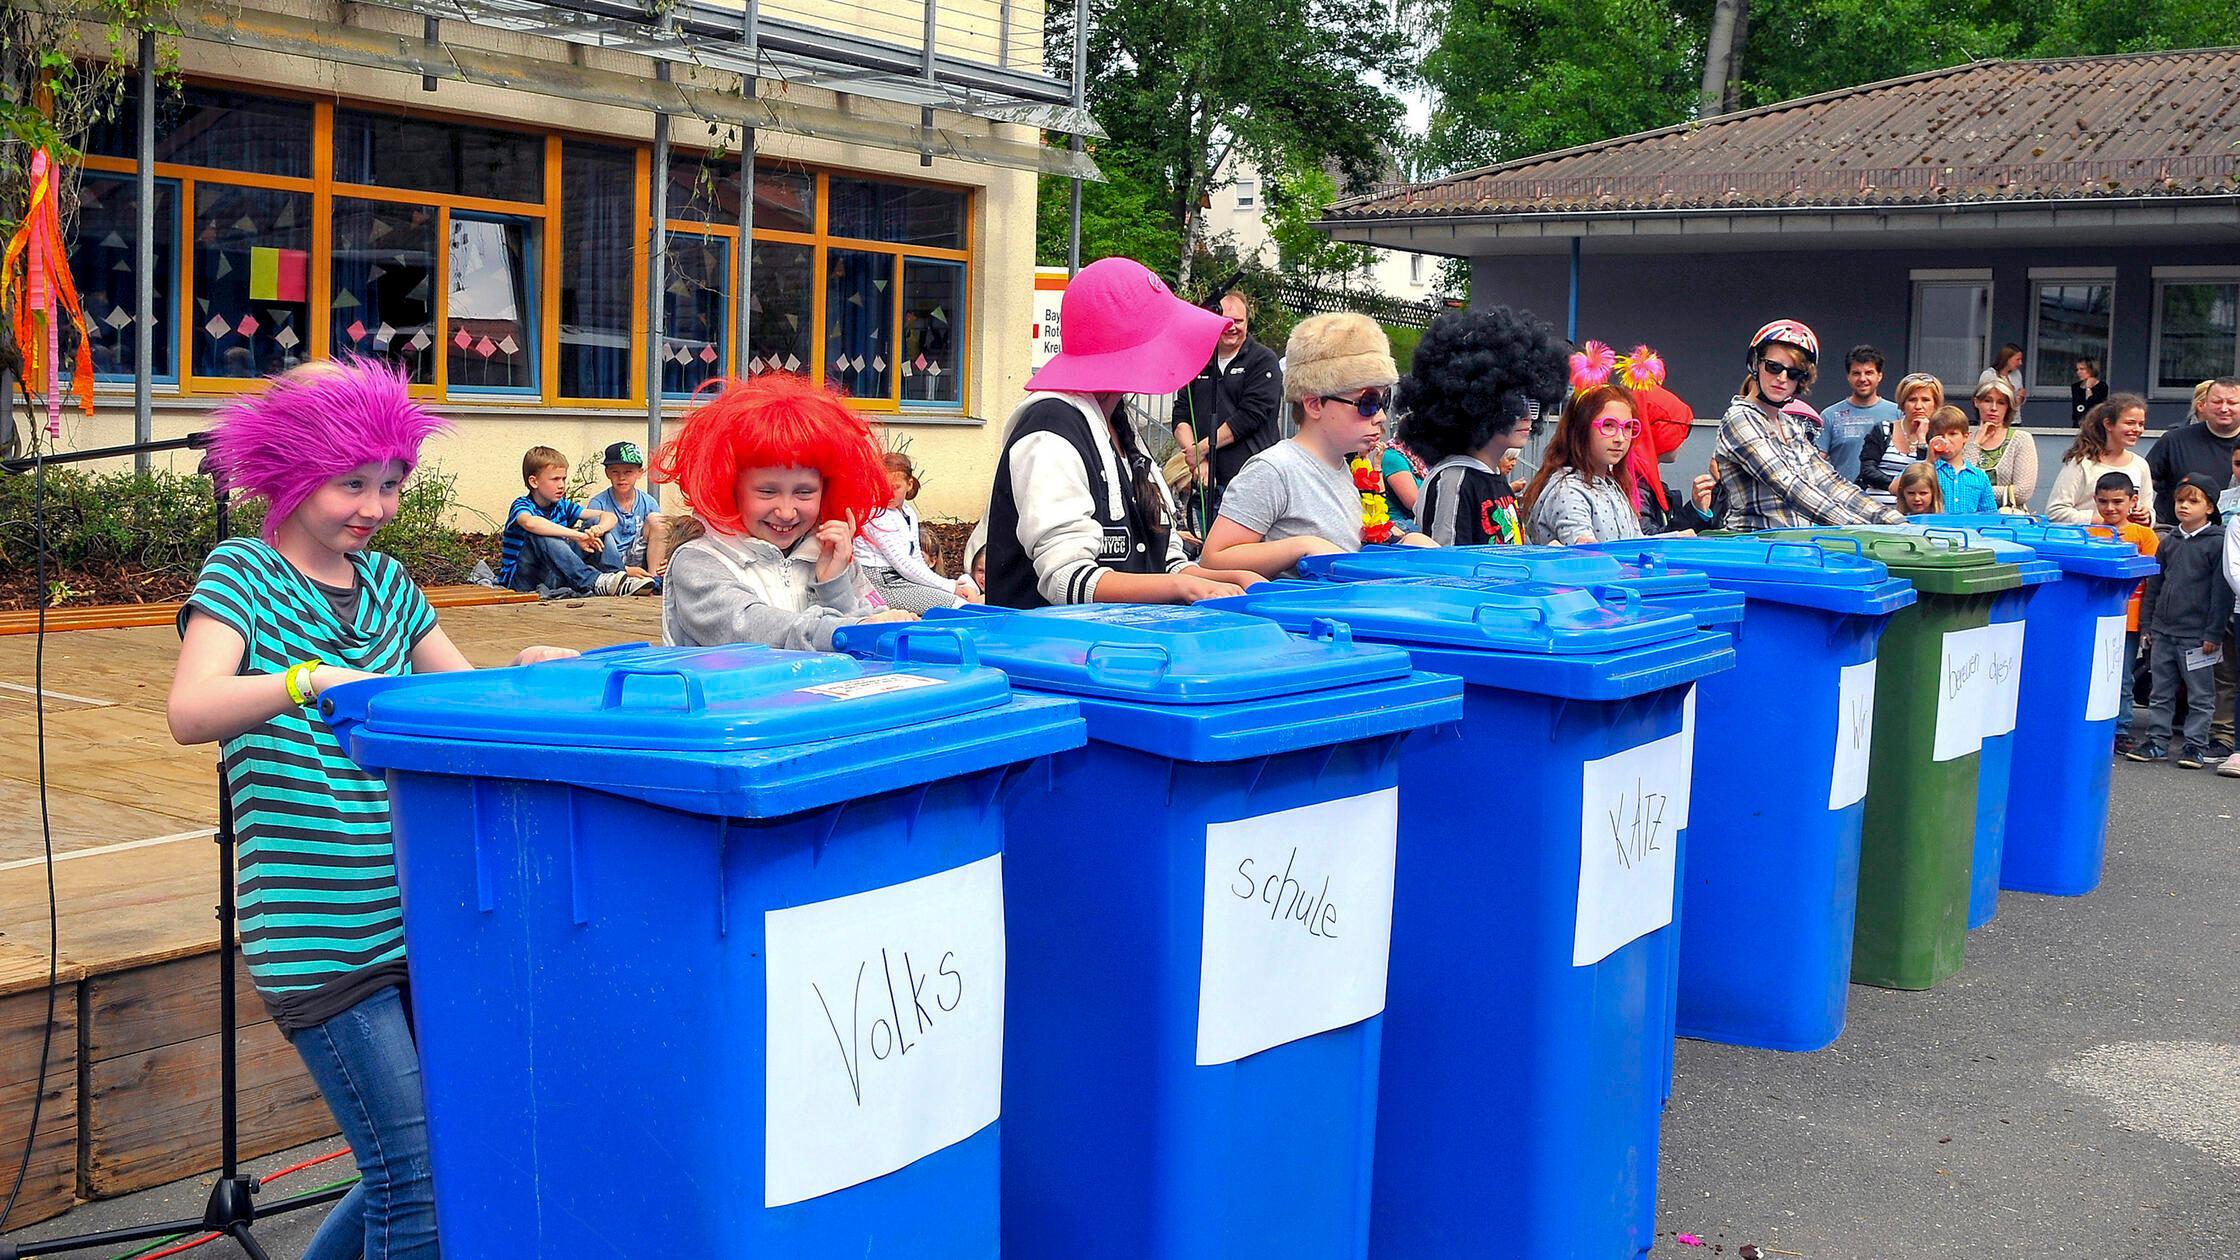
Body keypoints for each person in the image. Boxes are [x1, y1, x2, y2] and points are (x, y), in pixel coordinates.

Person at [170, 359, 578, 1260]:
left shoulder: (391, 586)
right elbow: (190, 711)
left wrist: (532, 675)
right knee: (416, 1179)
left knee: (427, 1156)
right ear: (288, 469)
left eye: (390, 484)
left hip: (418, 926)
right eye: (352, 482)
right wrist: (305, 680)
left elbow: (463, 708)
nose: (376, 505)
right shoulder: (242, 572)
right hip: (321, 938)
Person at [980, 256, 1261, 607]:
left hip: (1120, 648)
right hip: (1045, 654)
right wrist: (1181, 590)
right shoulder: (1048, 432)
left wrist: (1233, 579)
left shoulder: (1120, 427)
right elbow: (1066, 581)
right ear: (1130, 350)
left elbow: (1164, 563)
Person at [655, 373, 918, 649]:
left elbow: (870, 641)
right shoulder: (699, 561)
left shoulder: (832, 553)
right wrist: (853, 631)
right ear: (729, 488)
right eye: (767, 492)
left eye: (804, 492)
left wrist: (833, 586)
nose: (786, 511)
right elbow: (749, 627)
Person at [1203, 313, 1429, 578]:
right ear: (1314, 404)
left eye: (1384, 400)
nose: (1380, 416)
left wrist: (1403, 542)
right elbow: (1213, 558)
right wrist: (1302, 546)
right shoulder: (1275, 470)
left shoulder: (1346, 467)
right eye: (1367, 403)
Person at [1393, 306, 1569, 547]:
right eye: (1517, 402)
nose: (1528, 415)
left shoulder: (1495, 479)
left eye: (1534, 402)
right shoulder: (1453, 480)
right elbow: (1449, 568)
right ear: (1479, 404)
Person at [1714, 319, 1906, 531]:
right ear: (1756, 363)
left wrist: (1894, 521)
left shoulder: (1789, 425)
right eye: (1774, 367)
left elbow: (1829, 482)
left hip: (1795, 546)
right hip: (1754, 545)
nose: (1782, 377)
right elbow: (1788, 483)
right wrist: (1860, 528)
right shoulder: (1740, 417)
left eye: (1794, 373)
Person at [2128, 475, 2235, 768]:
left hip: (2198, 635)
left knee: (2201, 694)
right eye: (2179, 500)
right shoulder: (2169, 541)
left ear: (2210, 507)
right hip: (2163, 631)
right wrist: (2148, 625)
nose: (2184, 506)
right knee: (2160, 691)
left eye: (2193, 501)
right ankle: (2157, 741)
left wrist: (2213, 632)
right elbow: (2155, 584)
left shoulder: (2218, 543)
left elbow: (2221, 592)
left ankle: (2195, 745)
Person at [1168, 290, 1284, 533]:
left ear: (1247, 322)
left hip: (1249, 481)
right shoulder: (1199, 359)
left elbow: (1250, 416)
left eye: (1238, 321)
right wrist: (1197, 461)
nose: (1231, 327)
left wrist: (1200, 451)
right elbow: (1181, 414)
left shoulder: (1262, 360)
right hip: (1204, 482)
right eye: (1225, 321)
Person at [500, 445, 654, 596]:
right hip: (523, 581)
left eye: (563, 479)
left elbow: (609, 516)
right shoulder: (522, 505)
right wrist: (577, 536)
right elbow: (531, 523)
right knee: (540, 533)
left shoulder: (562, 506)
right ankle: (595, 581)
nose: (561, 485)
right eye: (555, 479)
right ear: (534, 482)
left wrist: (596, 530)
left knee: (594, 524)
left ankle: (616, 577)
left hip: (553, 574)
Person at [1525, 383, 1646, 545]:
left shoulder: (1611, 484)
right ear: (1581, 429)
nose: (1620, 439)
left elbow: (1636, 544)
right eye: (1608, 425)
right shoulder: (1568, 489)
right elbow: (1585, 554)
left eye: (1628, 427)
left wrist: (1677, 539)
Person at [859, 451, 973, 613]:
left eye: (895, 487)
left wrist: (943, 585)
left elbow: (916, 559)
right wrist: (948, 587)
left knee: (962, 596)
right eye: (882, 487)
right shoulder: (876, 515)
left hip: (899, 579)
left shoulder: (908, 513)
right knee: (956, 606)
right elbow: (903, 564)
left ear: (909, 484)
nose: (888, 493)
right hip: (880, 584)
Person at [2095, 471, 2159, 756]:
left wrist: (2148, 622)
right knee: (2097, 674)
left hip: (2131, 617)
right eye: (2103, 501)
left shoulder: (2144, 535)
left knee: (2121, 676)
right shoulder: (2087, 533)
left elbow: (2154, 577)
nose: (2110, 508)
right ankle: (2098, 727)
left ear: (2133, 501)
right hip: (2097, 616)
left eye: (2117, 501)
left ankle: (2121, 729)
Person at [2145, 376, 2240, 528]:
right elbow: (2145, 481)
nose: (2223, 408)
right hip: (2176, 536)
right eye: (2217, 402)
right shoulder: (2174, 440)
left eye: (2232, 403)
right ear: (2203, 405)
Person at [2046, 395, 2154, 525]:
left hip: (2128, 542)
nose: (2137, 429)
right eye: (2129, 423)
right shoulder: (2082, 463)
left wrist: (2146, 516)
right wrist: (2102, 520)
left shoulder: (2140, 465)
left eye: (2141, 424)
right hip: (2087, 541)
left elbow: (2149, 511)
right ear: (2108, 424)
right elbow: (2055, 511)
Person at [1629, 380, 1719, 535]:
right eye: (1683, 429)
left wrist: (1699, 508)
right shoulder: (1635, 486)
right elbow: (1651, 541)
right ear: (1659, 430)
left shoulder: (1642, 483)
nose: (1684, 439)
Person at [585, 440, 669, 579]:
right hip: (610, 563)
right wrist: (625, 570)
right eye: (615, 472)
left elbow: (661, 537)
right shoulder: (598, 503)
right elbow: (592, 548)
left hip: (641, 558)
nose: (621, 477)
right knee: (595, 523)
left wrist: (665, 558)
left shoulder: (648, 502)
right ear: (607, 473)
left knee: (657, 520)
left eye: (628, 472)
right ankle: (620, 576)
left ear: (639, 472)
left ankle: (655, 579)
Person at [1818, 345, 1900, 483]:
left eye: (1869, 373)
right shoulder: (1829, 415)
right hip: (1842, 499)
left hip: (1886, 499)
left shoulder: (1897, 413)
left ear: (1880, 376)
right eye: (1856, 373)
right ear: (1848, 377)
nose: (1862, 379)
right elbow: (1817, 462)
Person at [1858, 372, 1942, 502]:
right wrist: (1897, 486)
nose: (1918, 406)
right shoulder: (1884, 430)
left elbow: (1926, 476)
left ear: (1935, 404)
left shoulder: (1938, 436)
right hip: (1875, 507)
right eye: (1912, 400)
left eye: (1925, 400)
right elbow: (1867, 471)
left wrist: (1921, 442)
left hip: (1916, 511)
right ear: (1902, 404)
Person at [1964, 376, 2038, 511]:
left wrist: (1976, 491)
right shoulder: (1965, 438)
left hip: (2008, 521)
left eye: (2001, 403)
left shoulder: (2021, 439)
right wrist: (1976, 444)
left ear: (2008, 407)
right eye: (1987, 401)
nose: (1993, 408)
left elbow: (2022, 492)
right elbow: (1959, 482)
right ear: (1976, 402)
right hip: (1968, 518)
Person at [1927, 406, 1998, 514]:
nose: (1946, 440)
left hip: (1968, 530)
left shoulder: (1979, 476)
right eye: (1939, 435)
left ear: (1965, 437)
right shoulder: (1927, 469)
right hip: (1933, 529)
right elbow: (1896, 487)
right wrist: (1928, 462)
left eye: (1952, 434)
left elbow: (1990, 515)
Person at [1379, 435, 1431, 536]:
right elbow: (1414, 503)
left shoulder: (1418, 458)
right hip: (1401, 525)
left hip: (1416, 520)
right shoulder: (1393, 456)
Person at [1977, 342, 2026, 409]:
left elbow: (2018, 402)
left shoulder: (2017, 374)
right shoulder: (1989, 375)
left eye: (2021, 359)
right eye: (2017, 359)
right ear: (2007, 359)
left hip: (2015, 418)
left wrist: (2021, 396)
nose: (2020, 363)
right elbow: (1980, 398)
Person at [2071, 358, 2108, 427]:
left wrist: (2088, 389)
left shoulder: (2101, 386)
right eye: (2077, 369)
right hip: (2079, 423)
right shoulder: (2075, 387)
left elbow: (2094, 406)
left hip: (2095, 424)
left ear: (2091, 370)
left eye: (2082, 369)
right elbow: (2076, 410)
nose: (2078, 372)